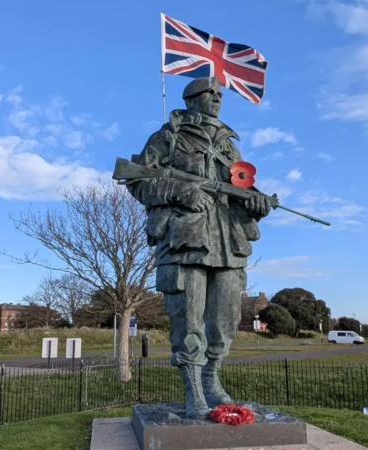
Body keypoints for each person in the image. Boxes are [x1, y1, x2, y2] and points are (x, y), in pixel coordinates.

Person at [126, 76, 270, 419]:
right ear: (190, 100)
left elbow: (239, 187)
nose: (217, 97)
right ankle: (193, 389)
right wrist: (180, 191)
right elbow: (137, 179)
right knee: (188, 319)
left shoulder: (229, 146)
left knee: (225, 320)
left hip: (228, 244)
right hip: (185, 241)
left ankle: (211, 379)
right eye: (209, 93)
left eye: (219, 94)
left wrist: (255, 202)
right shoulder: (169, 136)